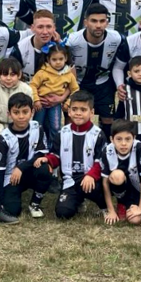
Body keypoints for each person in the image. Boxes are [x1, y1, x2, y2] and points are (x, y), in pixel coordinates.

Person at [65, 4, 130, 138]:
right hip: (79, 84)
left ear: (107, 22)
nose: (98, 25)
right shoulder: (72, 40)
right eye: (94, 21)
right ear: (86, 22)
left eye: (102, 21)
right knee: (75, 118)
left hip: (104, 83)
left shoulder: (117, 38)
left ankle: (105, 148)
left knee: (108, 120)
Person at [42, 90, 109, 220]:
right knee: (63, 213)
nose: (78, 113)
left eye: (83, 110)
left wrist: (91, 175)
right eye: (75, 109)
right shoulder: (62, 133)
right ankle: (78, 200)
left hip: (89, 178)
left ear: (92, 112)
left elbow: (101, 161)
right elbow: (56, 156)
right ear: (69, 111)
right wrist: (47, 160)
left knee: (95, 187)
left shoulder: (98, 134)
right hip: (70, 180)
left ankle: (104, 207)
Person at [0, 94, 51, 220]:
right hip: (11, 177)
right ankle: (9, 198)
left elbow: (40, 153)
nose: (21, 116)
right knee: (12, 211)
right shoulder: (4, 138)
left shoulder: (37, 128)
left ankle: (35, 204)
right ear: (9, 114)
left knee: (44, 168)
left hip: (29, 171)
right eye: (16, 112)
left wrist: (21, 167)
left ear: (32, 112)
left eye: (25, 112)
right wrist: (0, 200)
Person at [100, 119, 141, 225]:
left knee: (135, 220)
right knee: (116, 175)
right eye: (119, 139)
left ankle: (135, 204)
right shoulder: (107, 151)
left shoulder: (139, 148)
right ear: (112, 139)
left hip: (138, 189)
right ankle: (121, 203)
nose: (123, 143)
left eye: (128, 139)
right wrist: (111, 210)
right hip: (121, 186)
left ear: (134, 138)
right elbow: (105, 182)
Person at [29, 42, 79, 147]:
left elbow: (75, 89)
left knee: (56, 126)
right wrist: (36, 100)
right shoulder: (42, 72)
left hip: (56, 105)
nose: (58, 62)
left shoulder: (68, 74)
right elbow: (33, 85)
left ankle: (54, 148)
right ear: (48, 60)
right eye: (54, 60)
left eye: (61, 59)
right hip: (41, 104)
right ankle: (37, 146)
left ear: (66, 58)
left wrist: (68, 103)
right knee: (37, 125)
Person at [0, 57, 34, 134]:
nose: (8, 78)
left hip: (19, 129)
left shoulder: (27, 90)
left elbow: (28, 115)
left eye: (12, 75)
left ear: (19, 75)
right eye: (5, 74)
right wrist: (2, 133)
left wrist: (15, 131)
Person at [10, 10, 60, 79]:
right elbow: (11, 78)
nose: (45, 32)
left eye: (48, 27)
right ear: (32, 28)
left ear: (54, 28)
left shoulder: (61, 46)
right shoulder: (20, 49)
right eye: (40, 27)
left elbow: (71, 79)